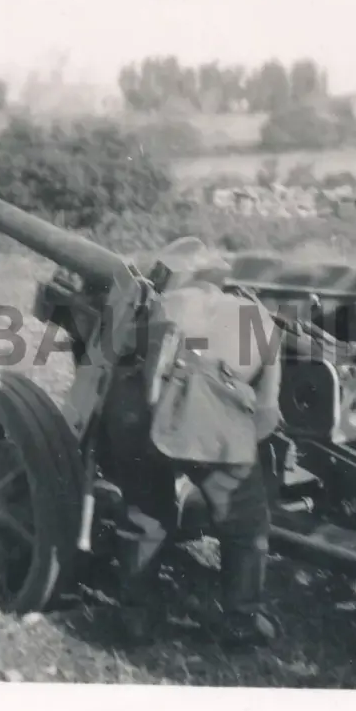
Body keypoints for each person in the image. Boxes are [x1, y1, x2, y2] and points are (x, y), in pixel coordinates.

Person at [96, 238, 284, 648]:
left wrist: (154, 424)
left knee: (145, 513)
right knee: (245, 523)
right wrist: (232, 459)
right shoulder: (258, 318)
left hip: (142, 413)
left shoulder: (164, 306)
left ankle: (138, 619)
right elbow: (268, 413)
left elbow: (138, 372)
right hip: (215, 417)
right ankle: (240, 622)